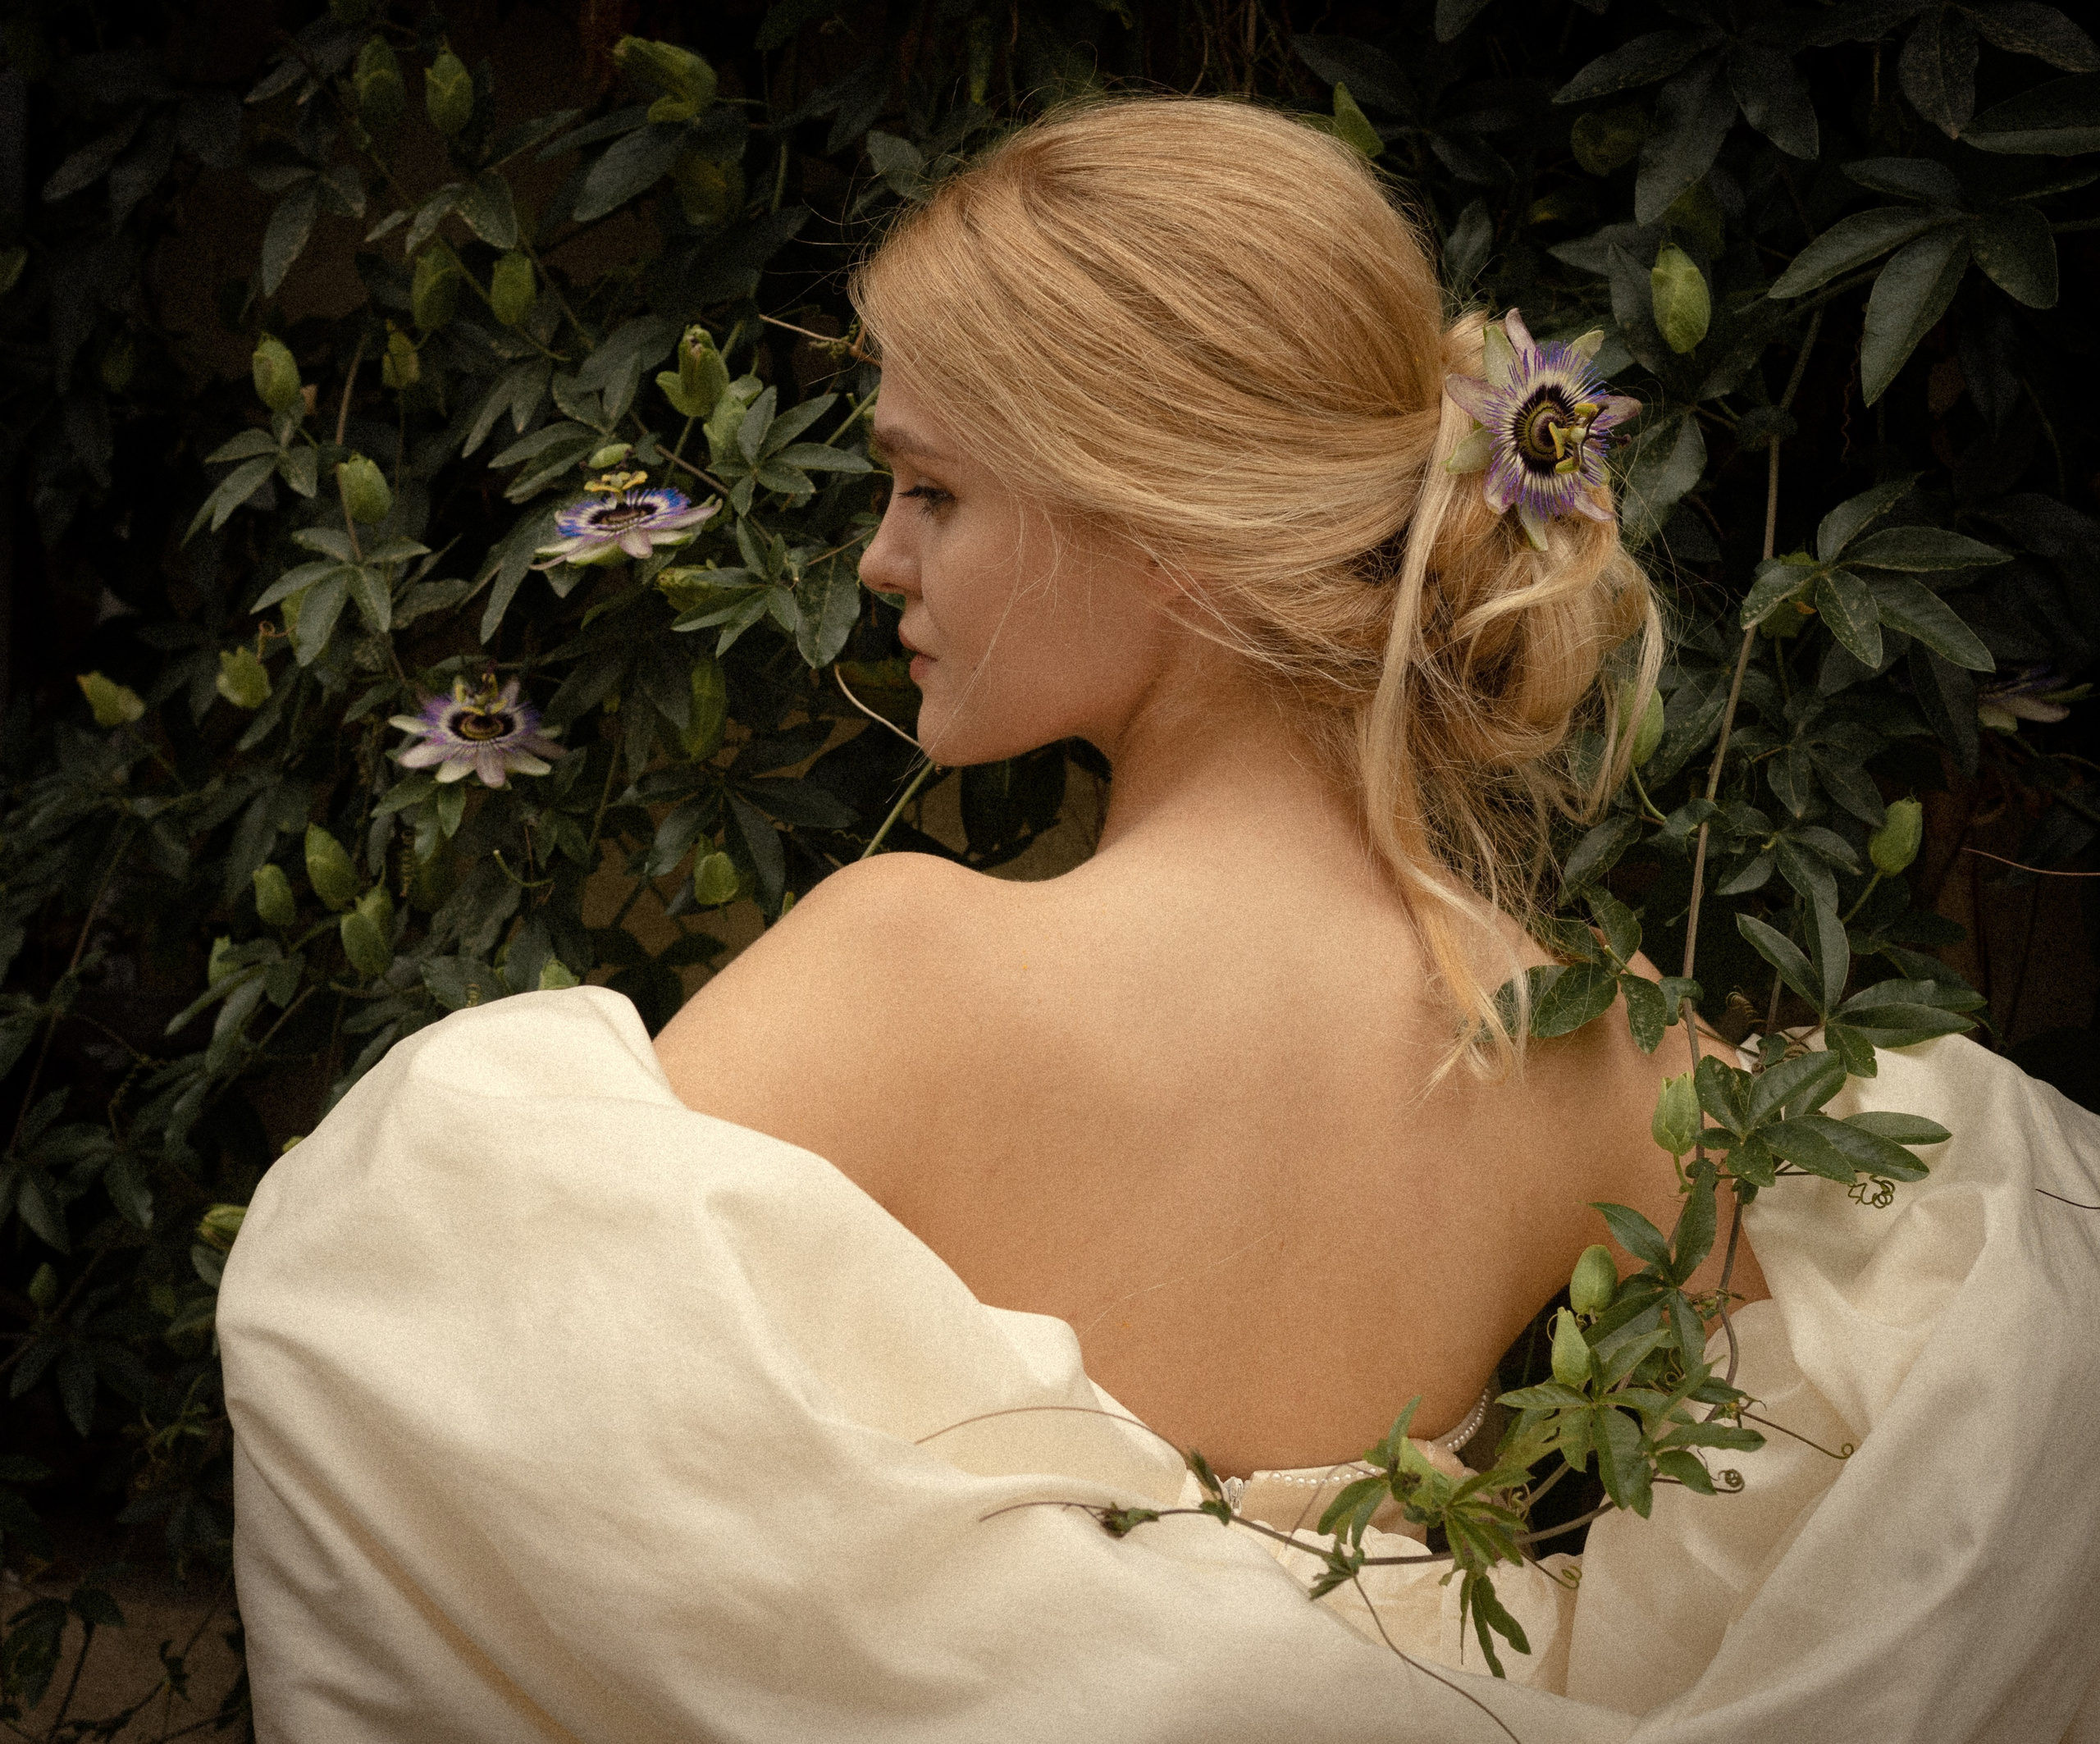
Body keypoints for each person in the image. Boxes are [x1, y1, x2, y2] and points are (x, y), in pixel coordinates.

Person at [221, 97, 2100, 1742]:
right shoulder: (1590, 1049)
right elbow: (1984, 1360)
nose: (878, 556)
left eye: (929, 487)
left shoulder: (901, 968)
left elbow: (486, 1396)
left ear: (1165, 526)